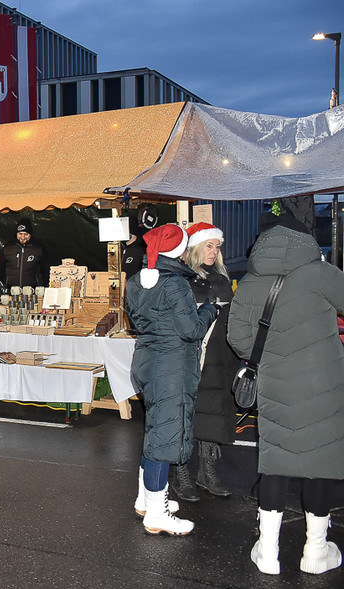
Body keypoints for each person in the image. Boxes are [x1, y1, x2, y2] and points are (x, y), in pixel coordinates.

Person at [227, 213, 344, 576]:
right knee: (320, 464)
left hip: (274, 383)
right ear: (306, 242)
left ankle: (268, 551)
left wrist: (267, 357)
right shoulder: (320, 273)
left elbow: (238, 338)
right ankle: (315, 552)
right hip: (324, 383)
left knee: (275, 463)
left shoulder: (249, 281)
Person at [124, 224, 217, 536]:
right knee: (163, 439)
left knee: (154, 430)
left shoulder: (137, 281)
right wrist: (209, 312)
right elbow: (191, 330)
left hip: (147, 362)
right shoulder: (176, 284)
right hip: (171, 367)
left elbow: (138, 322)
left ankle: (146, 499)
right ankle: (157, 512)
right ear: (179, 252)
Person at [171, 222, 238, 502]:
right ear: (196, 246)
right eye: (209, 245)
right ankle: (181, 473)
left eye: (217, 246)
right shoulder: (182, 277)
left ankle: (207, 472)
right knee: (186, 415)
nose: (213, 251)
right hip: (190, 356)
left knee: (213, 414)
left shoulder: (221, 277)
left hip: (219, 356)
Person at [0, 222, 46, 290]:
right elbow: (0, 271)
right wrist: (7, 282)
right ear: (16, 234)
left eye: (26, 234)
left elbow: (45, 270)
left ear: (30, 234)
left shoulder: (38, 249)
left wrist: (38, 284)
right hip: (12, 291)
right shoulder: (7, 248)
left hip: (33, 292)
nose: (23, 237)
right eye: (20, 234)